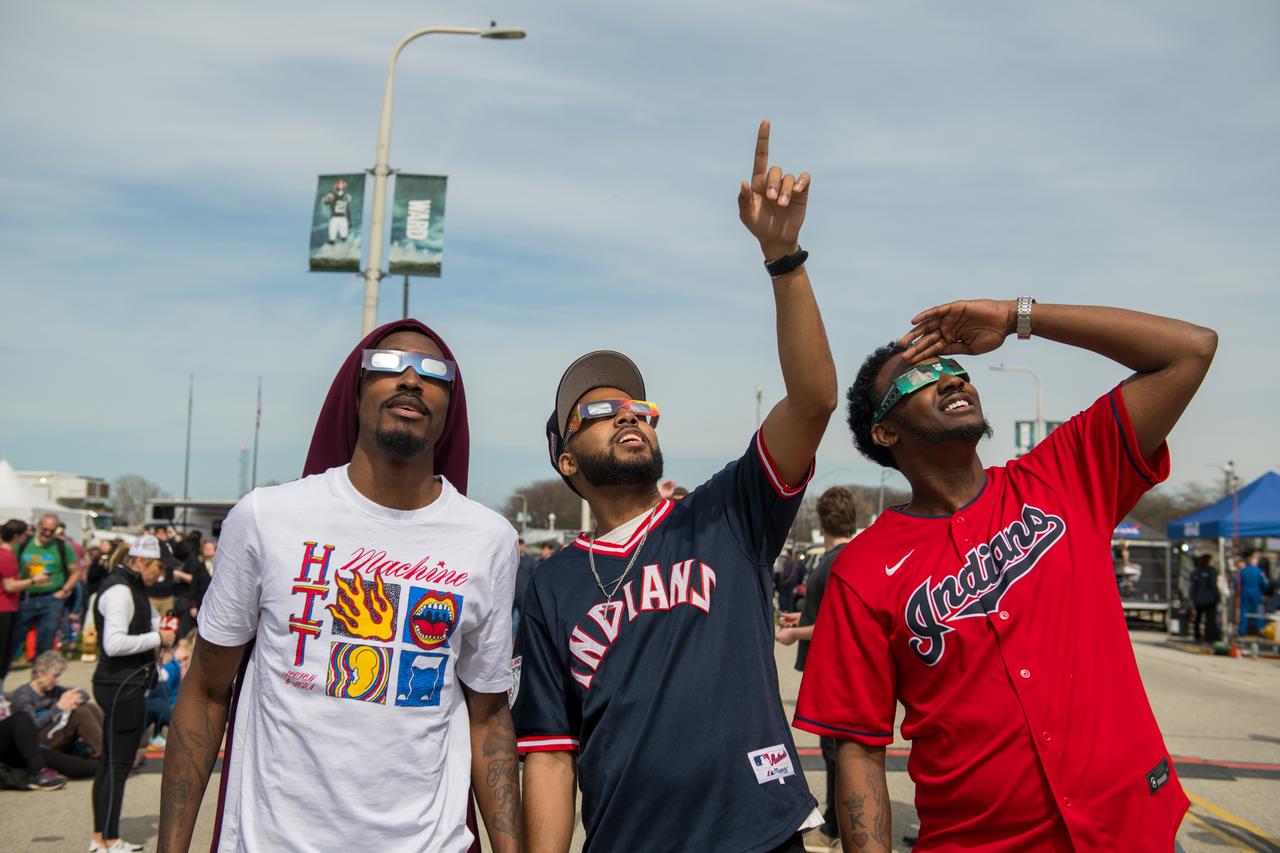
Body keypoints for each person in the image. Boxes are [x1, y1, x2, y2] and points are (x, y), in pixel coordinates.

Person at [514, 121, 837, 853]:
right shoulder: (553, 583)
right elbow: (551, 753)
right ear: (567, 462)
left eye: (638, 406)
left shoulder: (726, 513)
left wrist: (783, 258)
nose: (628, 414)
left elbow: (814, 400)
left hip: (763, 836)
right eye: (600, 411)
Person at [797, 298, 1216, 851]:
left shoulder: (1062, 476)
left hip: (1133, 829)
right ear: (886, 432)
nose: (950, 379)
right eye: (920, 375)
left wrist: (1018, 317)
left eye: (954, 368)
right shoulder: (862, 568)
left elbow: (1189, 351)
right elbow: (858, 746)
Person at [159, 319, 521, 853]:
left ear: (451, 407)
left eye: (433, 372)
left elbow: (487, 716)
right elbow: (207, 690)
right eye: (389, 365)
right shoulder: (267, 518)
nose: (411, 379)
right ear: (355, 392)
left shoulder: (489, 539)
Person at [775, 486, 858, 851]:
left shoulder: (834, 561)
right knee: (836, 751)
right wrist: (801, 617)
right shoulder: (848, 557)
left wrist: (795, 633)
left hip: (833, 671)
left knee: (836, 752)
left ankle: (835, 825)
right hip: (842, 670)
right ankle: (836, 821)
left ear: (823, 522)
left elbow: (833, 622)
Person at [91, 534, 178, 853]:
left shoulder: (133, 586)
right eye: (159, 567)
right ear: (140, 561)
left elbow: (149, 625)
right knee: (118, 764)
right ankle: (109, 838)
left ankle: (102, 837)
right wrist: (158, 638)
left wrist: (159, 634)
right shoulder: (120, 590)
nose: (162, 574)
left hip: (125, 683)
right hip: (120, 685)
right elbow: (113, 644)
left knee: (112, 763)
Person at [12, 650, 105, 765]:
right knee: (80, 713)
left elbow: (84, 694)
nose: (57, 680)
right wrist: (58, 707)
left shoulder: (53, 690)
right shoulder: (23, 695)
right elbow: (31, 726)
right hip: (35, 742)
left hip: (53, 734)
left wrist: (75, 699)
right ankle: (103, 754)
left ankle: (110, 747)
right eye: (55, 676)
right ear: (41, 673)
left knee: (89, 706)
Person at [14, 513, 81, 655]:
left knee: (45, 644)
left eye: (52, 530)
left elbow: (76, 572)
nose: (48, 533)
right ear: (39, 526)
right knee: (13, 639)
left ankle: (40, 669)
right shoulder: (24, 544)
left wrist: (64, 590)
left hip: (51, 599)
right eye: (45, 529)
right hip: (25, 597)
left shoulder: (63, 547)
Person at [0, 694, 69, 790]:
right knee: (21, 717)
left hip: (14, 748)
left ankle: (93, 766)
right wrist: (57, 707)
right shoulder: (24, 694)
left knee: (71, 764)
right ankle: (40, 772)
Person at [1, 519, 38, 687]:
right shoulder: (7, 556)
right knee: (4, 652)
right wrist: (33, 580)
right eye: (24, 535)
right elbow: (10, 586)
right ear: (17, 536)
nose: (26, 538)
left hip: (7, 607)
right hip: (5, 608)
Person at [1188, 554, 1220, 644]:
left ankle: (1197, 635)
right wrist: (1217, 596)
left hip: (1198, 599)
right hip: (1209, 599)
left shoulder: (1195, 572)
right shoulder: (1211, 571)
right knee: (1209, 619)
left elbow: (1192, 587)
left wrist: (1193, 598)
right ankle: (1208, 637)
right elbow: (1213, 585)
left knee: (1198, 618)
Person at [1237, 550, 1270, 636]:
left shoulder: (1242, 571)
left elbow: (1238, 583)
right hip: (1256, 593)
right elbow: (1265, 583)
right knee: (1259, 611)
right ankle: (1260, 629)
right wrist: (1264, 591)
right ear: (1254, 562)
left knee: (1244, 611)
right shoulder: (1259, 571)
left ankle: (1242, 630)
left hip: (1245, 593)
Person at [512, 539, 538, 637]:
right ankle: (510, 639)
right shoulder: (511, 559)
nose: (519, 547)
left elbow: (535, 575)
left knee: (522, 619)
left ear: (524, 546)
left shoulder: (530, 560)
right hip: (511, 594)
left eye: (520, 545)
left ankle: (518, 639)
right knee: (508, 619)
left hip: (524, 594)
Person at [324, 178, 353, 244]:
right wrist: (327, 199)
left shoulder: (346, 196)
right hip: (336, 218)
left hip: (341, 219)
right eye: (339, 184)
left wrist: (349, 221)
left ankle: (344, 248)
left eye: (341, 184)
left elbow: (347, 209)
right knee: (333, 239)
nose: (340, 186)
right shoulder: (332, 195)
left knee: (343, 239)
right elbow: (325, 202)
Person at [777, 548, 802, 612]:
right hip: (793, 582)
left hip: (786, 582)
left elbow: (786, 573)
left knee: (783, 596)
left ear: (788, 553)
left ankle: (783, 610)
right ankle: (790, 610)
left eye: (786, 553)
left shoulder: (787, 562)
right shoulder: (795, 562)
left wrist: (783, 580)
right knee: (790, 597)